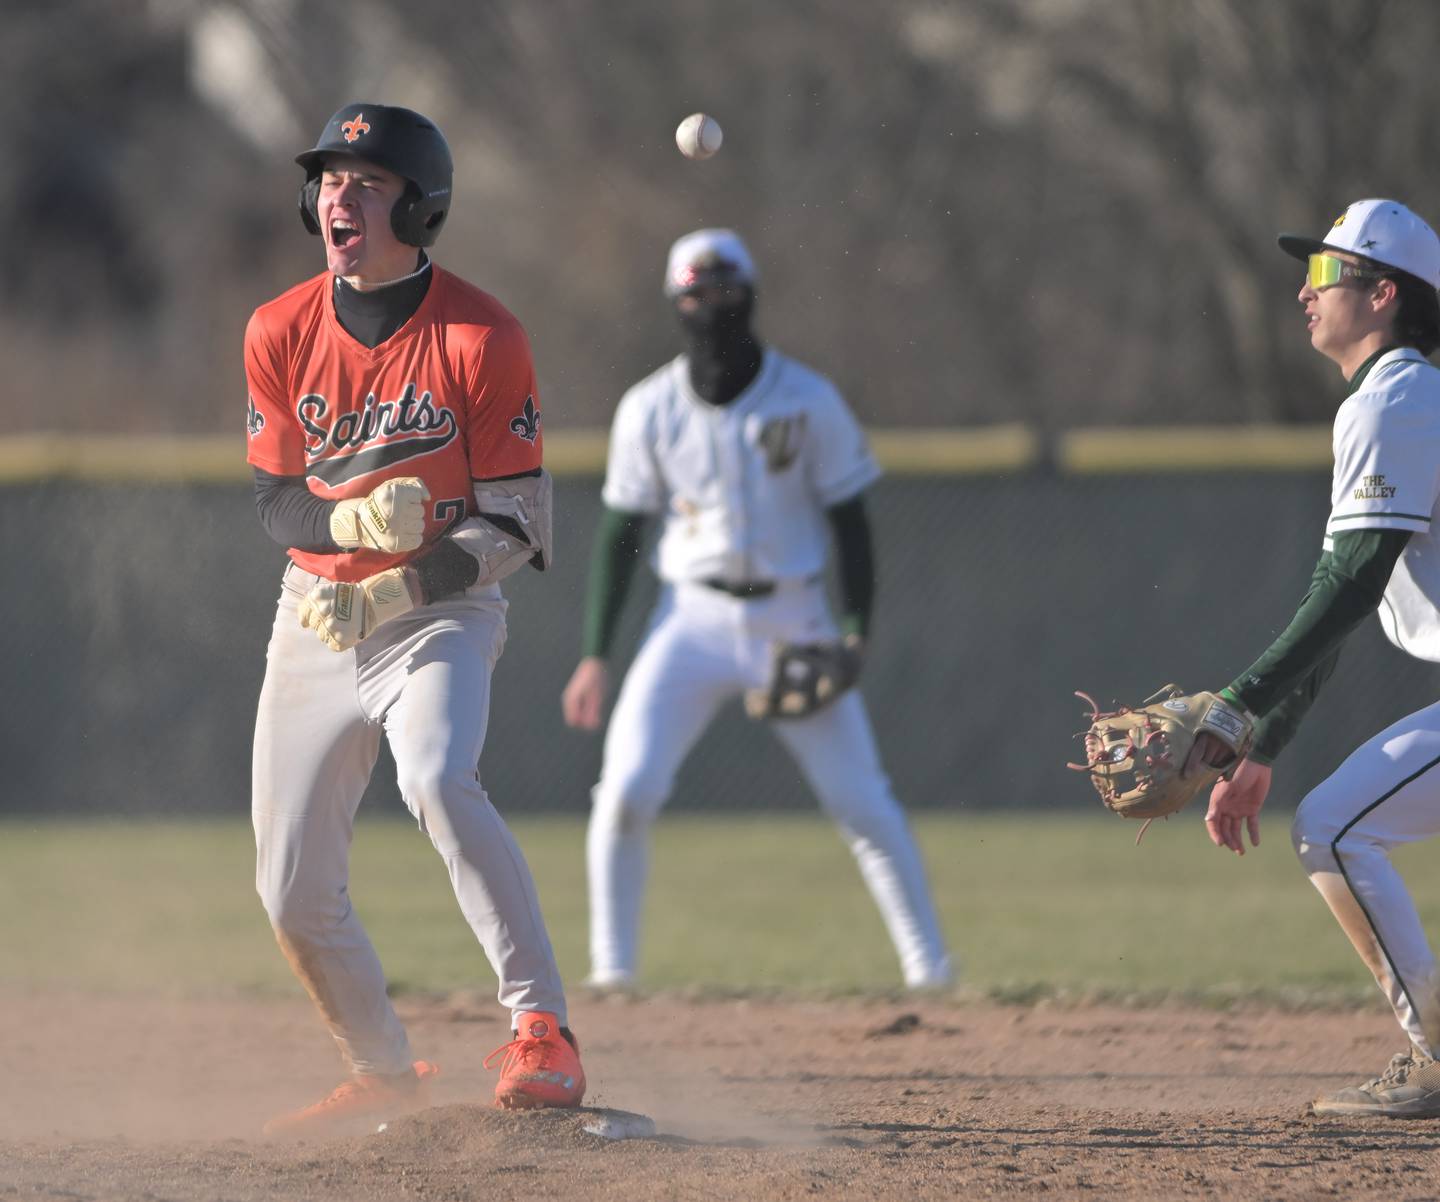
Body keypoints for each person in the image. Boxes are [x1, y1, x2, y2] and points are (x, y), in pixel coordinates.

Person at [244, 102, 585, 1135]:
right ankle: (383, 1068)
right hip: (313, 613)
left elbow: (519, 519)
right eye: (331, 180)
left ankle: (541, 1029)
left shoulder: (483, 335)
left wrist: (394, 586)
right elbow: (275, 498)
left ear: (420, 206)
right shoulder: (278, 328)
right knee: (289, 887)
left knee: (437, 772)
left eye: (369, 181)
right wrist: (346, 514)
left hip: (441, 615)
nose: (340, 197)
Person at [561, 228, 953, 992]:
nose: (713, 306)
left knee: (861, 803)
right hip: (691, 623)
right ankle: (613, 973)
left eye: (726, 290)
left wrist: (855, 631)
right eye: (697, 293)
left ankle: (932, 972)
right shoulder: (648, 408)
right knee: (627, 792)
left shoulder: (808, 399)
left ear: (751, 293)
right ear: (677, 303)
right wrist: (595, 654)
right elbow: (620, 531)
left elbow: (851, 521)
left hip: (795, 619)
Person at [1199, 199, 1440, 1117]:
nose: (1306, 289)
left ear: (1382, 295)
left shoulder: (1401, 395)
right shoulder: (1395, 397)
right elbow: (1351, 590)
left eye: (1327, 272)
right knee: (1338, 822)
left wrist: (1236, 703)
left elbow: (1350, 584)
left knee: (1338, 826)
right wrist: (1263, 744)